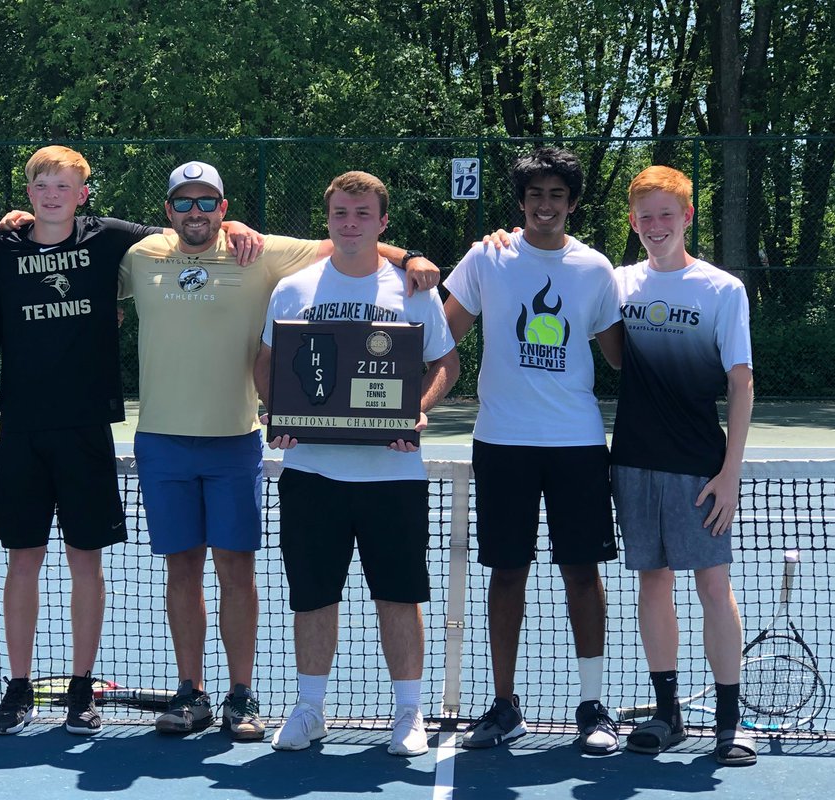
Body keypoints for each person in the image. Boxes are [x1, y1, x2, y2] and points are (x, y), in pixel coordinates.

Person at [0, 146, 259, 737]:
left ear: (83, 193)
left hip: (86, 431)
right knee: (21, 563)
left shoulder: (111, 239)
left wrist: (230, 223)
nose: (51, 195)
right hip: (21, 433)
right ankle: (18, 688)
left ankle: (82, 690)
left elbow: (188, 229)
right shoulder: (3, 247)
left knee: (87, 564)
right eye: (41, 186)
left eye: (64, 186)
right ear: (26, 195)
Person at [116, 161, 442, 742]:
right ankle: (202, 695)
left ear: (223, 205)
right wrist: (15, 222)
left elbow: (355, 244)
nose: (196, 212)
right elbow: (271, 363)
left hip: (250, 445)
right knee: (192, 572)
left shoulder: (267, 255)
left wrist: (411, 259)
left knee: (268, 575)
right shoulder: (140, 255)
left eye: (208, 202)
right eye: (184, 202)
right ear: (168, 210)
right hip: (180, 444)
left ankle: (257, 699)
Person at [254, 170, 459, 756]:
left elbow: (446, 363)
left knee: (399, 595)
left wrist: (415, 412)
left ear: (383, 222)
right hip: (311, 473)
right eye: (341, 212)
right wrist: (280, 414)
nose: (350, 223)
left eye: (362, 214)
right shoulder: (293, 289)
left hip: (392, 475)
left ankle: (408, 714)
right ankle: (310, 708)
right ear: (329, 218)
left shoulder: (412, 289)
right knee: (312, 596)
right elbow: (266, 363)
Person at [443, 146, 624, 754]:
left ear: (572, 203)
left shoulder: (597, 270)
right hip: (502, 443)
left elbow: (622, 355)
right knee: (507, 572)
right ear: (520, 202)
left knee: (582, 573)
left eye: (557, 195)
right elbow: (444, 333)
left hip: (576, 444)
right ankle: (504, 705)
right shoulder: (486, 257)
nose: (545, 205)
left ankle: (594, 706)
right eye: (535, 195)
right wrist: (412, 266)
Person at [611, 165, 756, 765]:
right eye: (644, 216)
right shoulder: (617, 284)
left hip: (700, 465)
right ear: (632, 221)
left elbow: (741, 383)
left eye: (665, 214)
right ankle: (667, 714)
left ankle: (729, 719)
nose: (654, 226)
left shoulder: (722, 290)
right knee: (652, 583)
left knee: (713, 587)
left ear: (687, 217)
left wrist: (730, 471)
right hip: (634, 461)